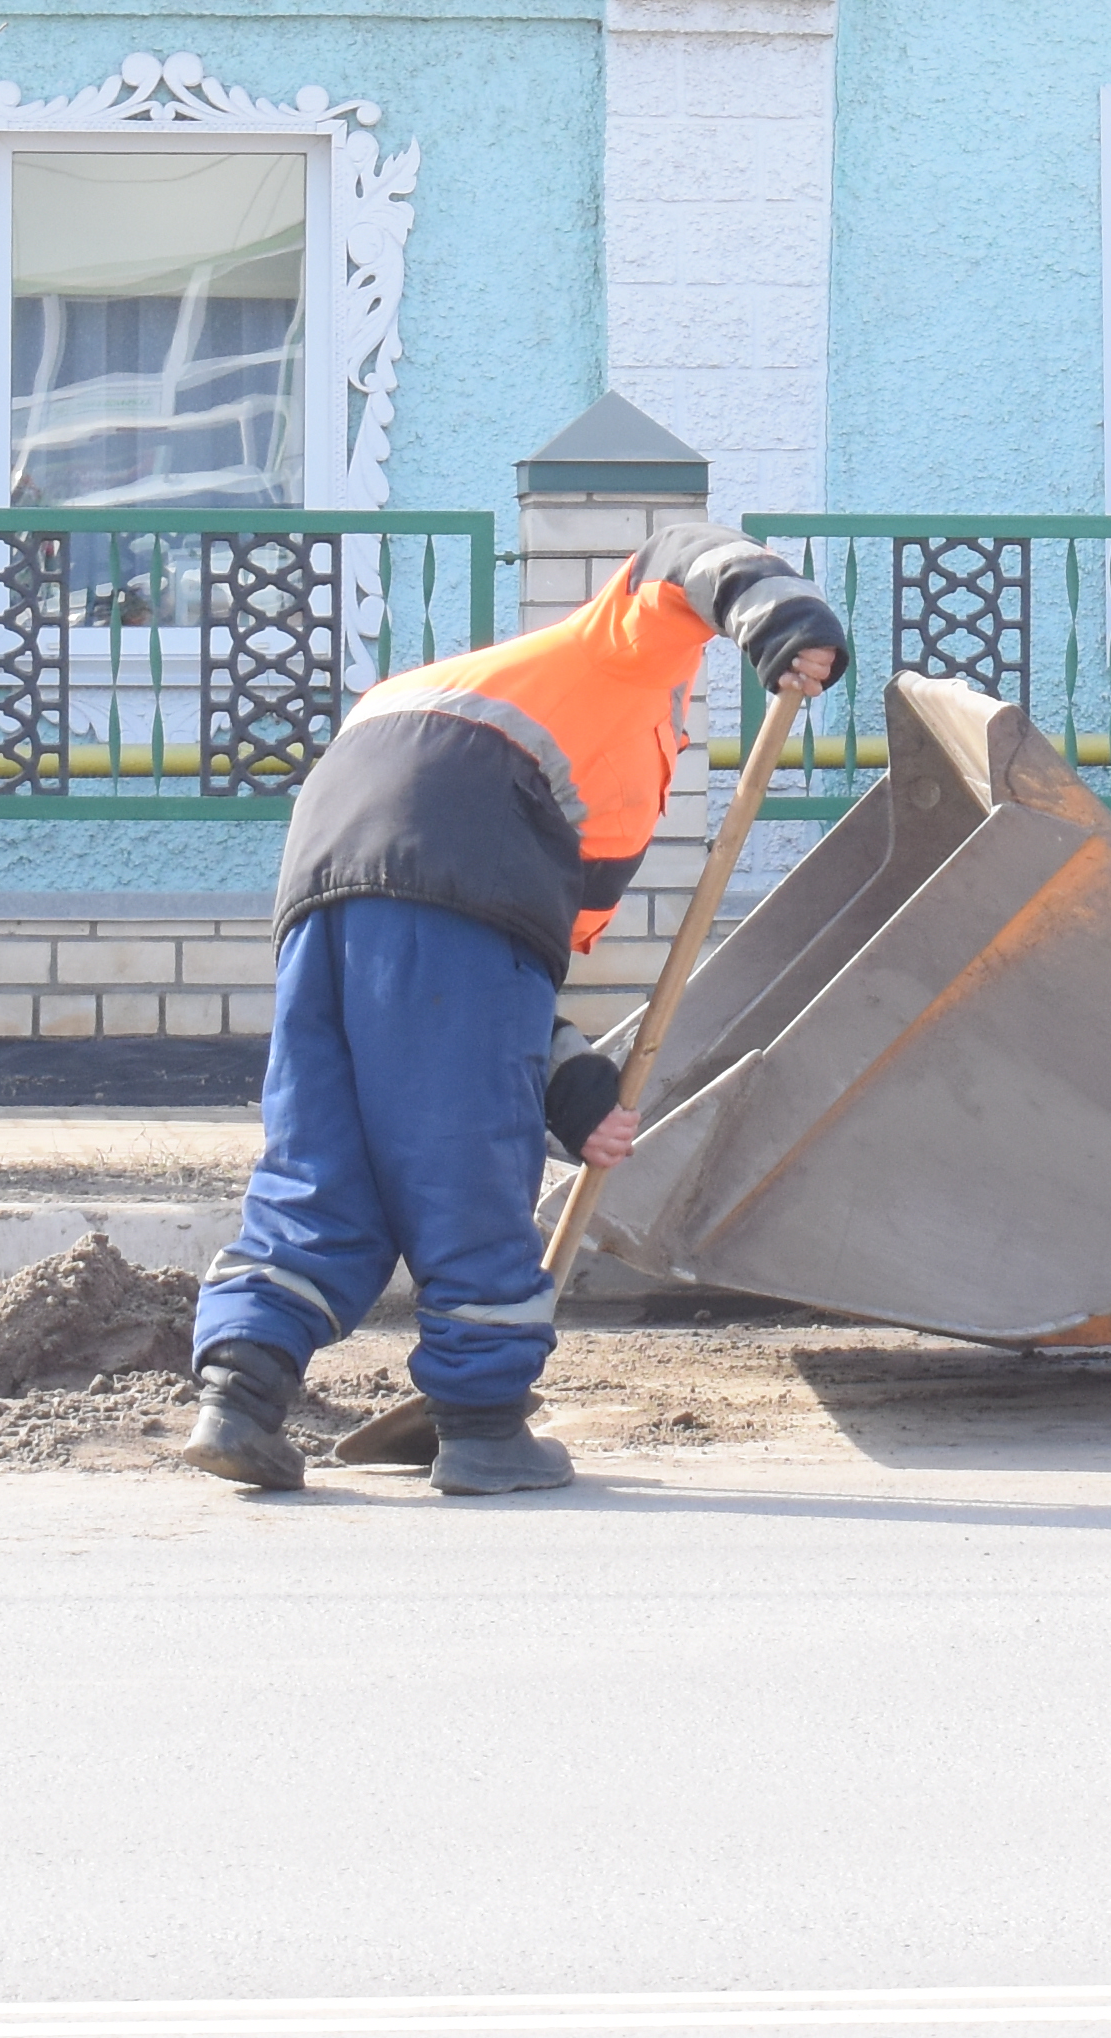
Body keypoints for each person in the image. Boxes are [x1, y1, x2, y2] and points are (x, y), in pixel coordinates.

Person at [182, 518, 849, 1497]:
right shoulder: (625, 663)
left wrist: (578, 1094)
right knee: (466, 1155)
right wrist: (782, 615)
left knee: (327, 1162)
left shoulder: (498, 691)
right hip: (456, 851)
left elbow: (498, 1010)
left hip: (324, 873)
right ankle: (485, 1421)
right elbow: (681, 553)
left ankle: (239, 1393)